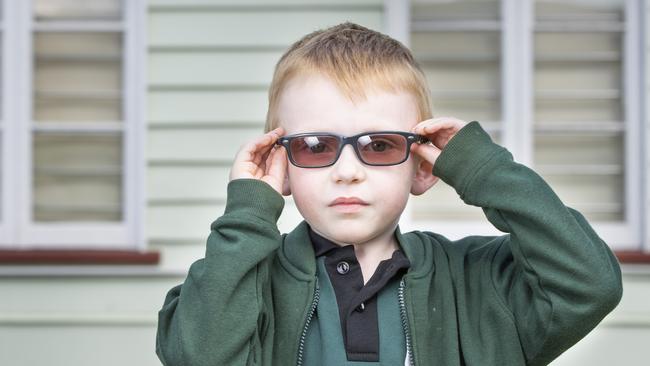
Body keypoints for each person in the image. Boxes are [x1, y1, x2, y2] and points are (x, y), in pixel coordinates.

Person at [155, 22, 622, 366]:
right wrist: (247, 215)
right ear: (281, 166)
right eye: (316, 147)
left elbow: (589, 283)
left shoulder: (480, 285)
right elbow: (196, 355)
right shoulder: (244, 285)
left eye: (379, 145)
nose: (347, 172)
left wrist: (483, 170)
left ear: (421, 167)